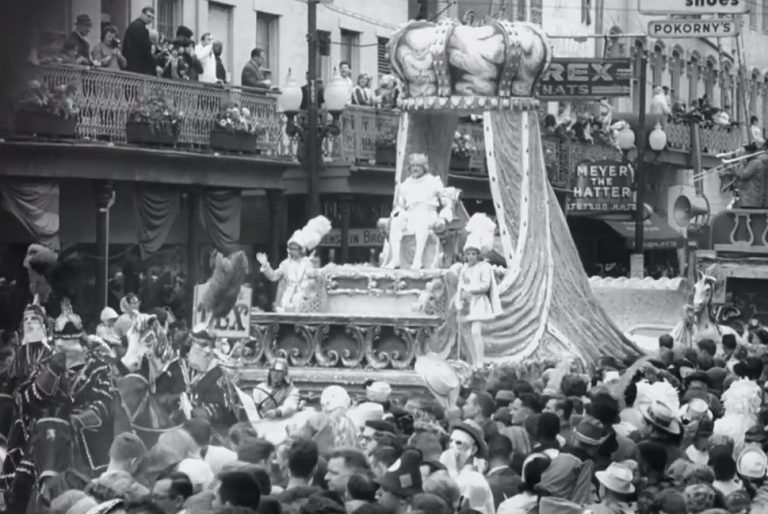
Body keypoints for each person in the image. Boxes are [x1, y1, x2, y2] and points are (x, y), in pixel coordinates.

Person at [454, 213, 501, 369]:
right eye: (468, 254)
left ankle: (480, 361)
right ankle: (472, 360)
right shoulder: (464, 269)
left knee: (475, 331)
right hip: (467, 303)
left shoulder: (484, 267)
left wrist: (470, 289)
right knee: (466, 333)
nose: (471, 257)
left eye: (474, 254)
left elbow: (485, 285)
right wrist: (460, 297)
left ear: (478, 254)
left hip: (479, 302)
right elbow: (460, 284)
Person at [257, 215, 331, 313]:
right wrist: (266, 265)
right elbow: (273, 277)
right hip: (286, 299)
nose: (291, 251)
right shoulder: (285, 264)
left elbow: (311, 274)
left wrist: (317, 272)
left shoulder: (306, 263)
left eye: (294, 249)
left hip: (303, 299)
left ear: (301, 250)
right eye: (290, 248)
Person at [385, 153, 446, 270]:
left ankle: (417, 261)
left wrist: (443, 218)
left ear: (424, 167)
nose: (415, 168)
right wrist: (396, 214)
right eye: (413, 166)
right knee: (396, 222)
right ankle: (396, 259)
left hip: (427, 212)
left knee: (421, 219)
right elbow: (400, 205)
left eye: (418, 166)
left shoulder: (433, 181)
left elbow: (446, 200)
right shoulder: (405, 185)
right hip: (410, 213)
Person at [123, 6, 156, 75]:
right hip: (137, 67)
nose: (150, 19)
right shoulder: (139, 27)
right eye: (148, 16)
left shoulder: (136, 25)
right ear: (142, 14)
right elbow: (144, 48)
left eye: (152, 18)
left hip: (133, 65)